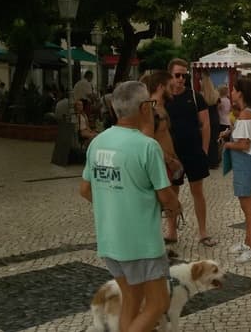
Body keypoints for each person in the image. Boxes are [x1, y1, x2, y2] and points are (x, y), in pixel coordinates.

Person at [79, 81, 181, 332]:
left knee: (132, 300)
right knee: (158, 303)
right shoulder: (147, 146)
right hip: (141, 242)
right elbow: (165, 196)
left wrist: (114, 203)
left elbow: (85, 189)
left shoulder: (98, 142)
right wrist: (175, 207)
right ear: (145, 107)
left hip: (110, 239)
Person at [164, 58, 214, 247]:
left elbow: (206, 124)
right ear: (170, 75)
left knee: (197, 192)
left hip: (193, 151)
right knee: (172, 192)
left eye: (184, 75)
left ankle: (203, 232)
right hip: (172, 154)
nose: (181, 79)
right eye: (177, 75)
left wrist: (204, 150)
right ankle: (171, 231)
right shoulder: (164, 98)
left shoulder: (194, 96)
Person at [221, 79, 251, 264]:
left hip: (246, 166)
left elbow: (244, 144)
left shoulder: (246, 115)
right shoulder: (250, 113)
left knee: (249, 208)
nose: (231, 92)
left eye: (234, 90)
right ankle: (248, 242)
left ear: (240, 93)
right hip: (246, 166)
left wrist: (227, 144)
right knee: (247, 206)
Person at [141, 72, 184, 244]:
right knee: (158, 202)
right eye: (169, 86)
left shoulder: (161, 108)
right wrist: (169, 160)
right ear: (160, 87)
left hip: (170, 163)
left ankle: (171, 233)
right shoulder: (150, 110)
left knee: (171, 198)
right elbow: (149, 141)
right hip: (162, 163)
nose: (173, 89)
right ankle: (152, 240)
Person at [201, 75, 221, 169]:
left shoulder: (201, 95)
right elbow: (219, 106)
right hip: (215, 117)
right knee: (214, 140)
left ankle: (208, 160)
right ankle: (215, 161)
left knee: (207, 139)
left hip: (207, 117)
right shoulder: (216, 94)